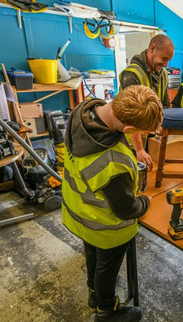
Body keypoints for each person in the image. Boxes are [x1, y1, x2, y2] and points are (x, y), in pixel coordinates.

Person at [61, 85, 164, 322]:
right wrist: (144, 203)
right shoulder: (111, 160)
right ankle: (106, 311)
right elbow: (125, 209)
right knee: (107, 266)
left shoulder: (84, 112)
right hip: (105, 225)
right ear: (128, 129)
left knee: (93, 256)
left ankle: (94, 294)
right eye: (143, 132)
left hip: (80, 210)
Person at [119, 34, 174, 171]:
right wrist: (139, 150)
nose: (166, 64)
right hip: (130, 141)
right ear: (152, 49)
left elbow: (165, 105)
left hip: (150, 137)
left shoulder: (163, 74)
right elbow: (131, 117)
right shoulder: (131, 74)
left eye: (168, 60)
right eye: (164, 59)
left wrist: (160, 126)